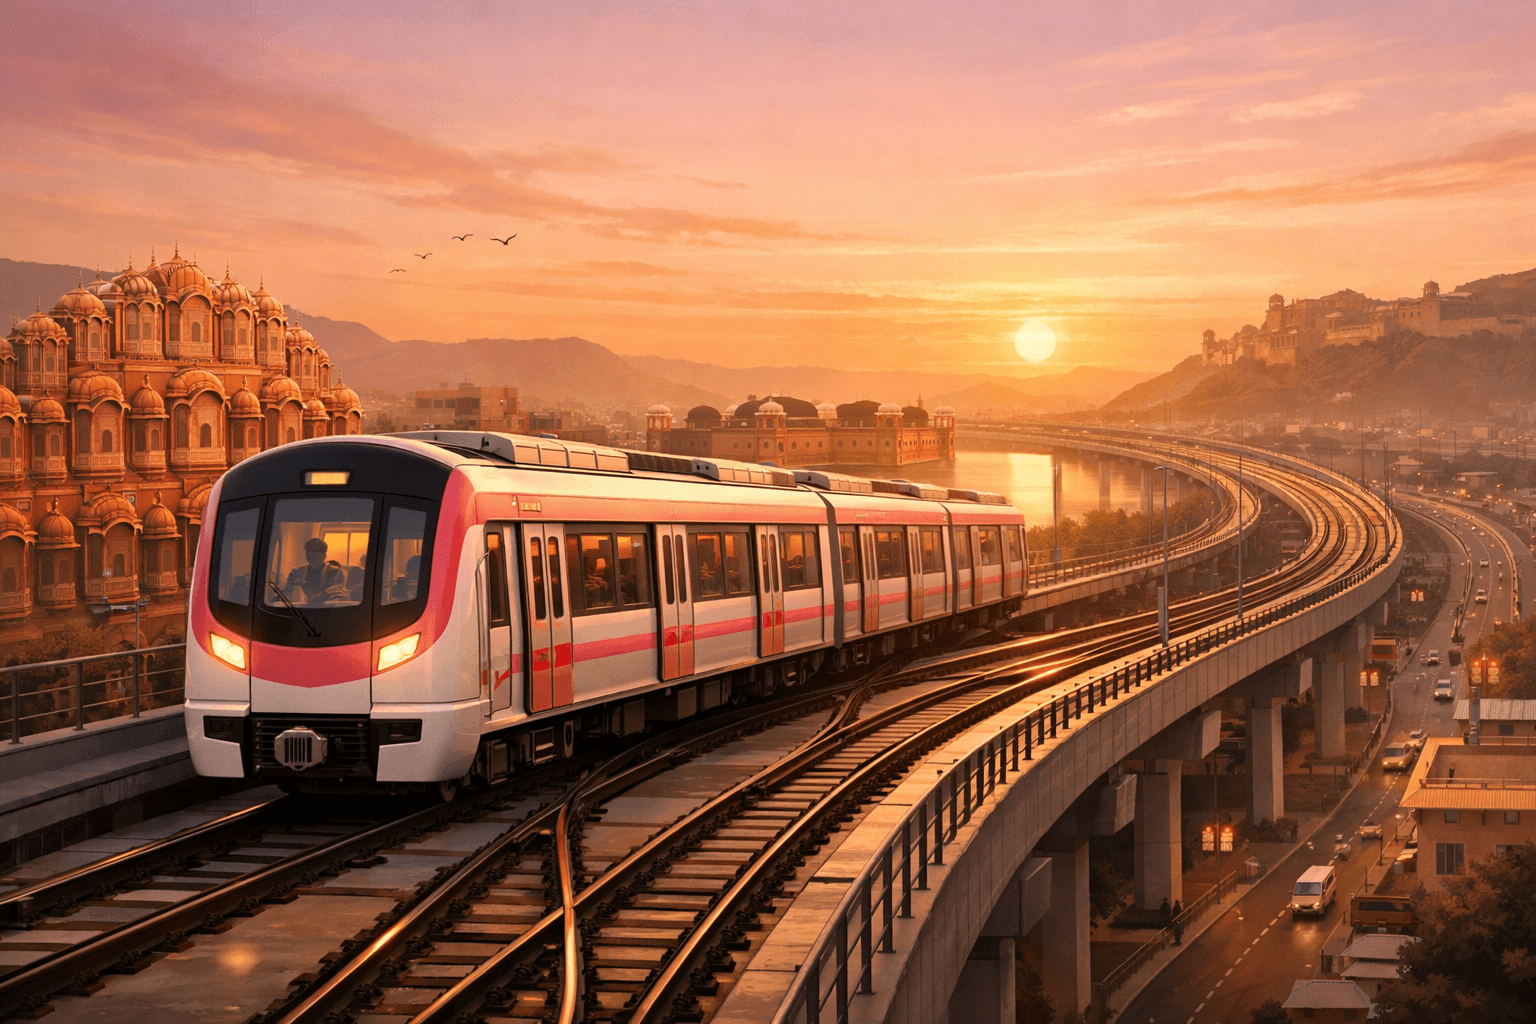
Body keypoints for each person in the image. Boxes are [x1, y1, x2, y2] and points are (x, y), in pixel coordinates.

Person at [284, 537, 345, 605]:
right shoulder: (296, 572)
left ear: (324, 555)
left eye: (315, 554)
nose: (312, 557)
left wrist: (318, 598)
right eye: (309, 553)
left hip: (327, 610)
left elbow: (335, 591)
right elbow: (287, 593)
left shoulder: (336, 572)